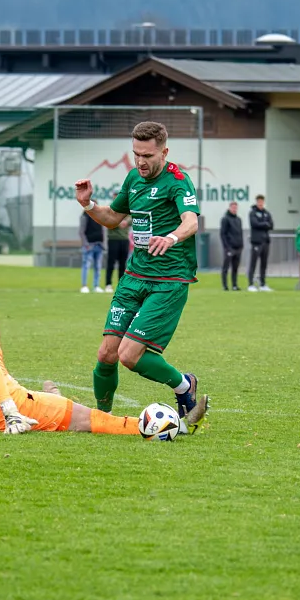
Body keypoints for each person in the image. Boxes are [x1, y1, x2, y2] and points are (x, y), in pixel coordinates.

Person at [0, 274, 207, 434]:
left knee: (52, 400)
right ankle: (168, 428)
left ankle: (54, 394)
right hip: (17, 409)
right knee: (91, 420)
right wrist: (9, 411)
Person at [73, 121, 207, 428]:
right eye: (136, 154)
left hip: (169, 280)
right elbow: (112, 217)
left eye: (147, 155)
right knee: (107, 353)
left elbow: (191, 222)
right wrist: (89, 204)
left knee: (129, 356)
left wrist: (172, 237)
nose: (140, 162)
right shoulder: (133, 178)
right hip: (135, 276)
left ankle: (185, 384)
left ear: (164, 151)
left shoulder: (178, 181)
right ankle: (103, 418)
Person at [246, 194, 273, 292]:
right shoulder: (252, 213)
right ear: (257, 202)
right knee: (253, 263)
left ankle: (263, 284)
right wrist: (265, 224)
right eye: (259, 201)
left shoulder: (266, 213)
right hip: (256, 242)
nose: (260, 203)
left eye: (262, 201)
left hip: (265, 241)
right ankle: (250, 284)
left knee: (264, 264)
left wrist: (264, 224)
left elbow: (271, 225)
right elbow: (255, 224)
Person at [220, 201, 244, 291]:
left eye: (236, 208)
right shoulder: (225, 219)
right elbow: (223, 234)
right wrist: (226, 247)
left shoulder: (238, 220)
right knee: (226, 267)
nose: (234, 209)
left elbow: (240, 233)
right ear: (230, 208)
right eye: (233, 207)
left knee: (235, 268)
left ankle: (234, 285)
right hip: (229, 247)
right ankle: (225, 285)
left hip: (238, 247)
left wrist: (241, 245)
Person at [78, 210, 104, 293]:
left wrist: (103, 244)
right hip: (89, 245)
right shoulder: (85, 216)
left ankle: (96, 285)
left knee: (98, 266)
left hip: (99, 245)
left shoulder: (100, 216)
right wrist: (86, 244)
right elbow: (81, 231)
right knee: (86, 265)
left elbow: (103, 231)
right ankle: (84, 285)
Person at [102, 215, 130, 293]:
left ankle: (121, 285)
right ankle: (108, 284)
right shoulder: (112, 208)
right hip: (113, 239)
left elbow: (134, 218)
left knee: (123, 264)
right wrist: (118, 223)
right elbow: (107, 220)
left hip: (124, 239)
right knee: (111, 263)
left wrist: (127, 221)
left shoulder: (127, 210)